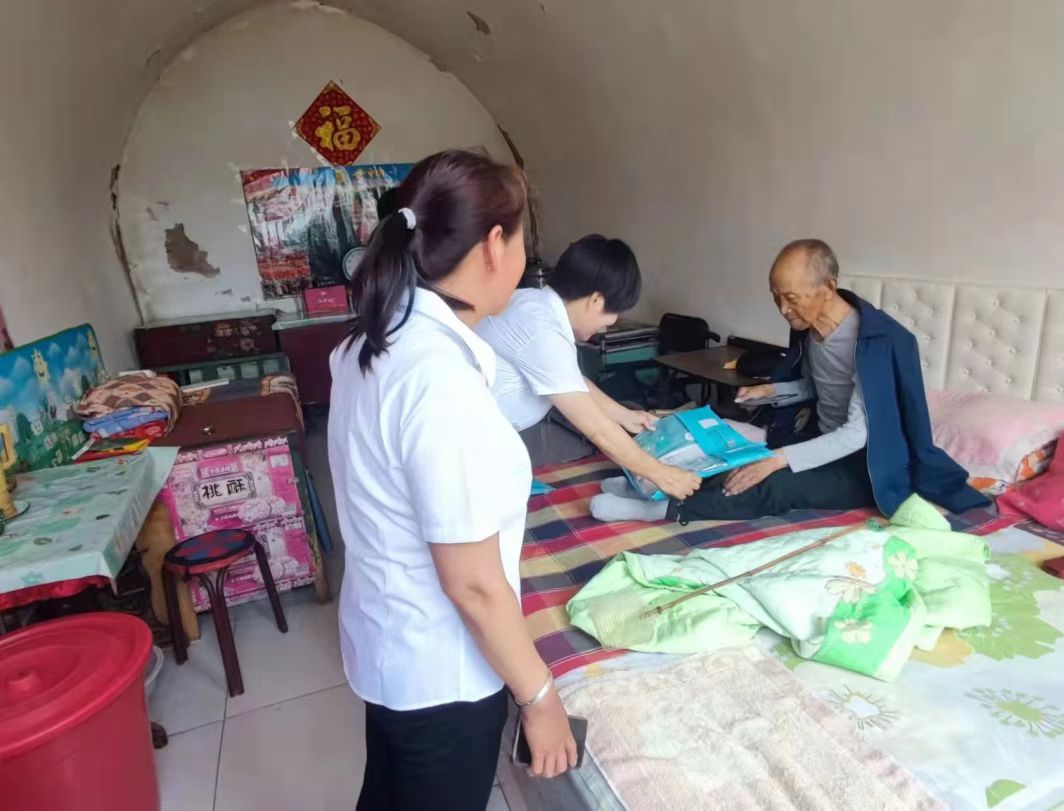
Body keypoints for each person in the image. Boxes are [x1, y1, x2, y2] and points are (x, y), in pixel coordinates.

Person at [328, 150, 577, 811]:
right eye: (522, 239)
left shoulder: (370, 343)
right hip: (440, 676)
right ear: (495, 245)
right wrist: (540, 698)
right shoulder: (439, 380)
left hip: (388, 644)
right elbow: (471, 582)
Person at [591, 238, 988, 523]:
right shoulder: (811, 328)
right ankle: (655, 486)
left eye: (792, 298)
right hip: (817, 440)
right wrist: (773, 390)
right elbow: (818, 388)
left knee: (777, 484)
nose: (783, 309)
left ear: (828, 287)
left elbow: (858, 434)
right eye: (776, 297)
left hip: (866, 465)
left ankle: (663, 510)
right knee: (732, 447)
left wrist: (779, 459)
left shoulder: (877, 343)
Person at [476, 235, 700, 500]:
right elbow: (597, 429)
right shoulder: (542, 332)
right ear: (596, 300)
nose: (607, 325)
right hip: (465, 441)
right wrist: (662, 474)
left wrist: (624, 415)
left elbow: (573, 381)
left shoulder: (531, 303)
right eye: (613, 314)